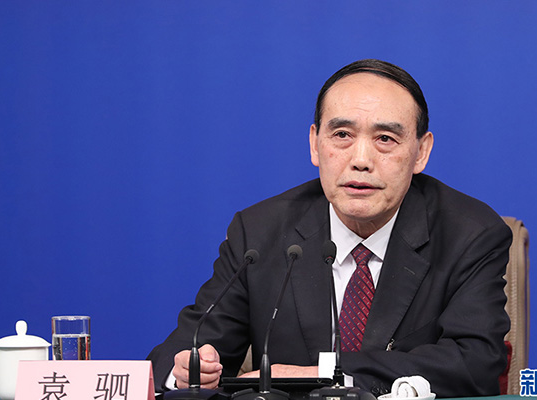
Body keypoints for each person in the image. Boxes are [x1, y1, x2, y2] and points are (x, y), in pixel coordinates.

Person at [147, 59, 511, 398]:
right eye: (342, 135)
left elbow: (476, 363)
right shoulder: (259, 233)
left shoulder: (470, 234)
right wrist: (187, 371)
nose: (361, 160)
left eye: (385, 139)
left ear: (421, 152)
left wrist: (325, 374)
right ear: (315, 144)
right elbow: (176, 355)